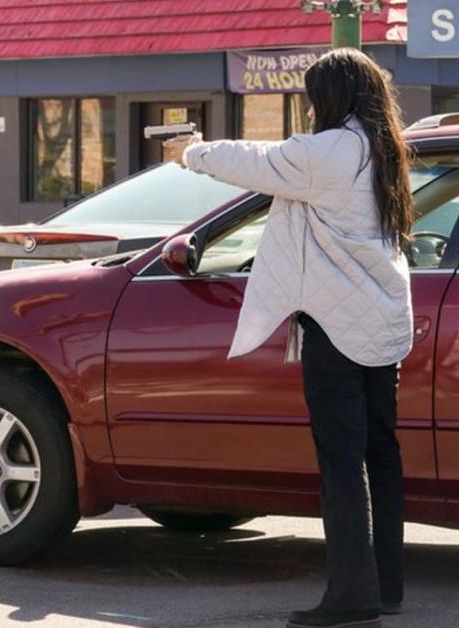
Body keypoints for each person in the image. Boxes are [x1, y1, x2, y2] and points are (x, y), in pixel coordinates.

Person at [165, 48, 414, 628]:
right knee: (382, 457)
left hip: (335, 326)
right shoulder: (383, 147)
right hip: (382, 320)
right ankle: (386, 586)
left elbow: (259, 160)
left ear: (330, 96)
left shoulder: (329, 150)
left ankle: (352, 596)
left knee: (341, 464)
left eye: (311, 96)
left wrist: (192, 152)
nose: (307, 106)